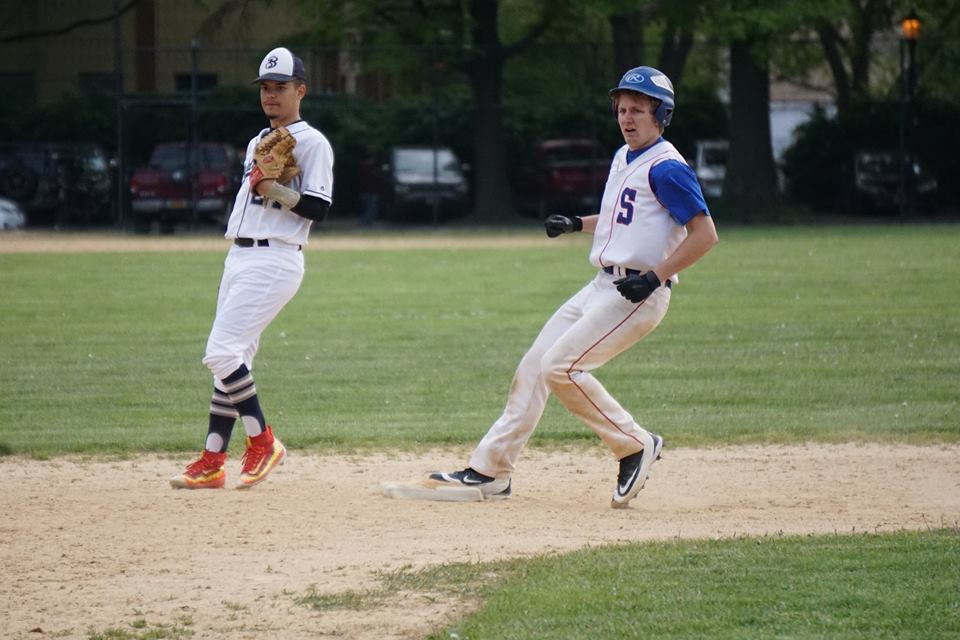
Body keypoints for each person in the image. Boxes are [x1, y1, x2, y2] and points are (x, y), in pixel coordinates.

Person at [429, 66, 718, 508]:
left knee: (560, 368)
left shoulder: (667, 168)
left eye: (638, 109)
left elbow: (705, 235)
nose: (627, 117)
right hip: (602, 286)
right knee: (534, 366)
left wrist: (656, 276)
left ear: (662, 114)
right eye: (622, 108)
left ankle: (634, 444)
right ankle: (490, 471)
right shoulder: (625, 157)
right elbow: (624, 222)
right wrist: (576, 224)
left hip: (638, 295)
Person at [171, 47, 334, 489]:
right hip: (239, 255)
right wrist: (267, 183)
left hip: (276, 257)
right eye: (265, 87)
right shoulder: (256, 141)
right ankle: (212, 460)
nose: (271, 95)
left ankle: (263, 441)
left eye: (280, 87)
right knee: (234, 358)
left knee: (220, 352)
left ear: (300, 90)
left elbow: (319, 207)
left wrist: (275, 187)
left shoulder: (314, 142)